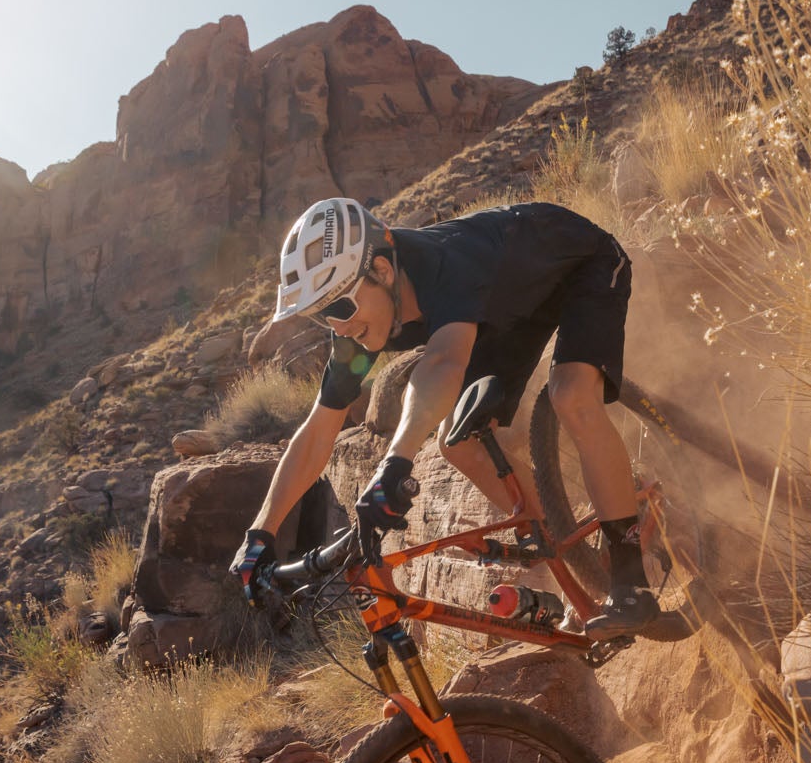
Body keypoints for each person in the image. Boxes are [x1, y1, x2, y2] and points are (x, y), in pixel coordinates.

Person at [229, 196, 660, 638]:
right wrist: (260, 534)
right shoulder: (357, 335)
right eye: (321, 318)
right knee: (458, 444)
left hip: (580, 268)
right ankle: (582, 560)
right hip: (502, 313)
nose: (337, 327)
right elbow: (319, 429)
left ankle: (632, 585)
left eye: (339, 308)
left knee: (570, 394)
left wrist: (395, 462)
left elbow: (443, 364)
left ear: (380, 270)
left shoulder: (443, 262)